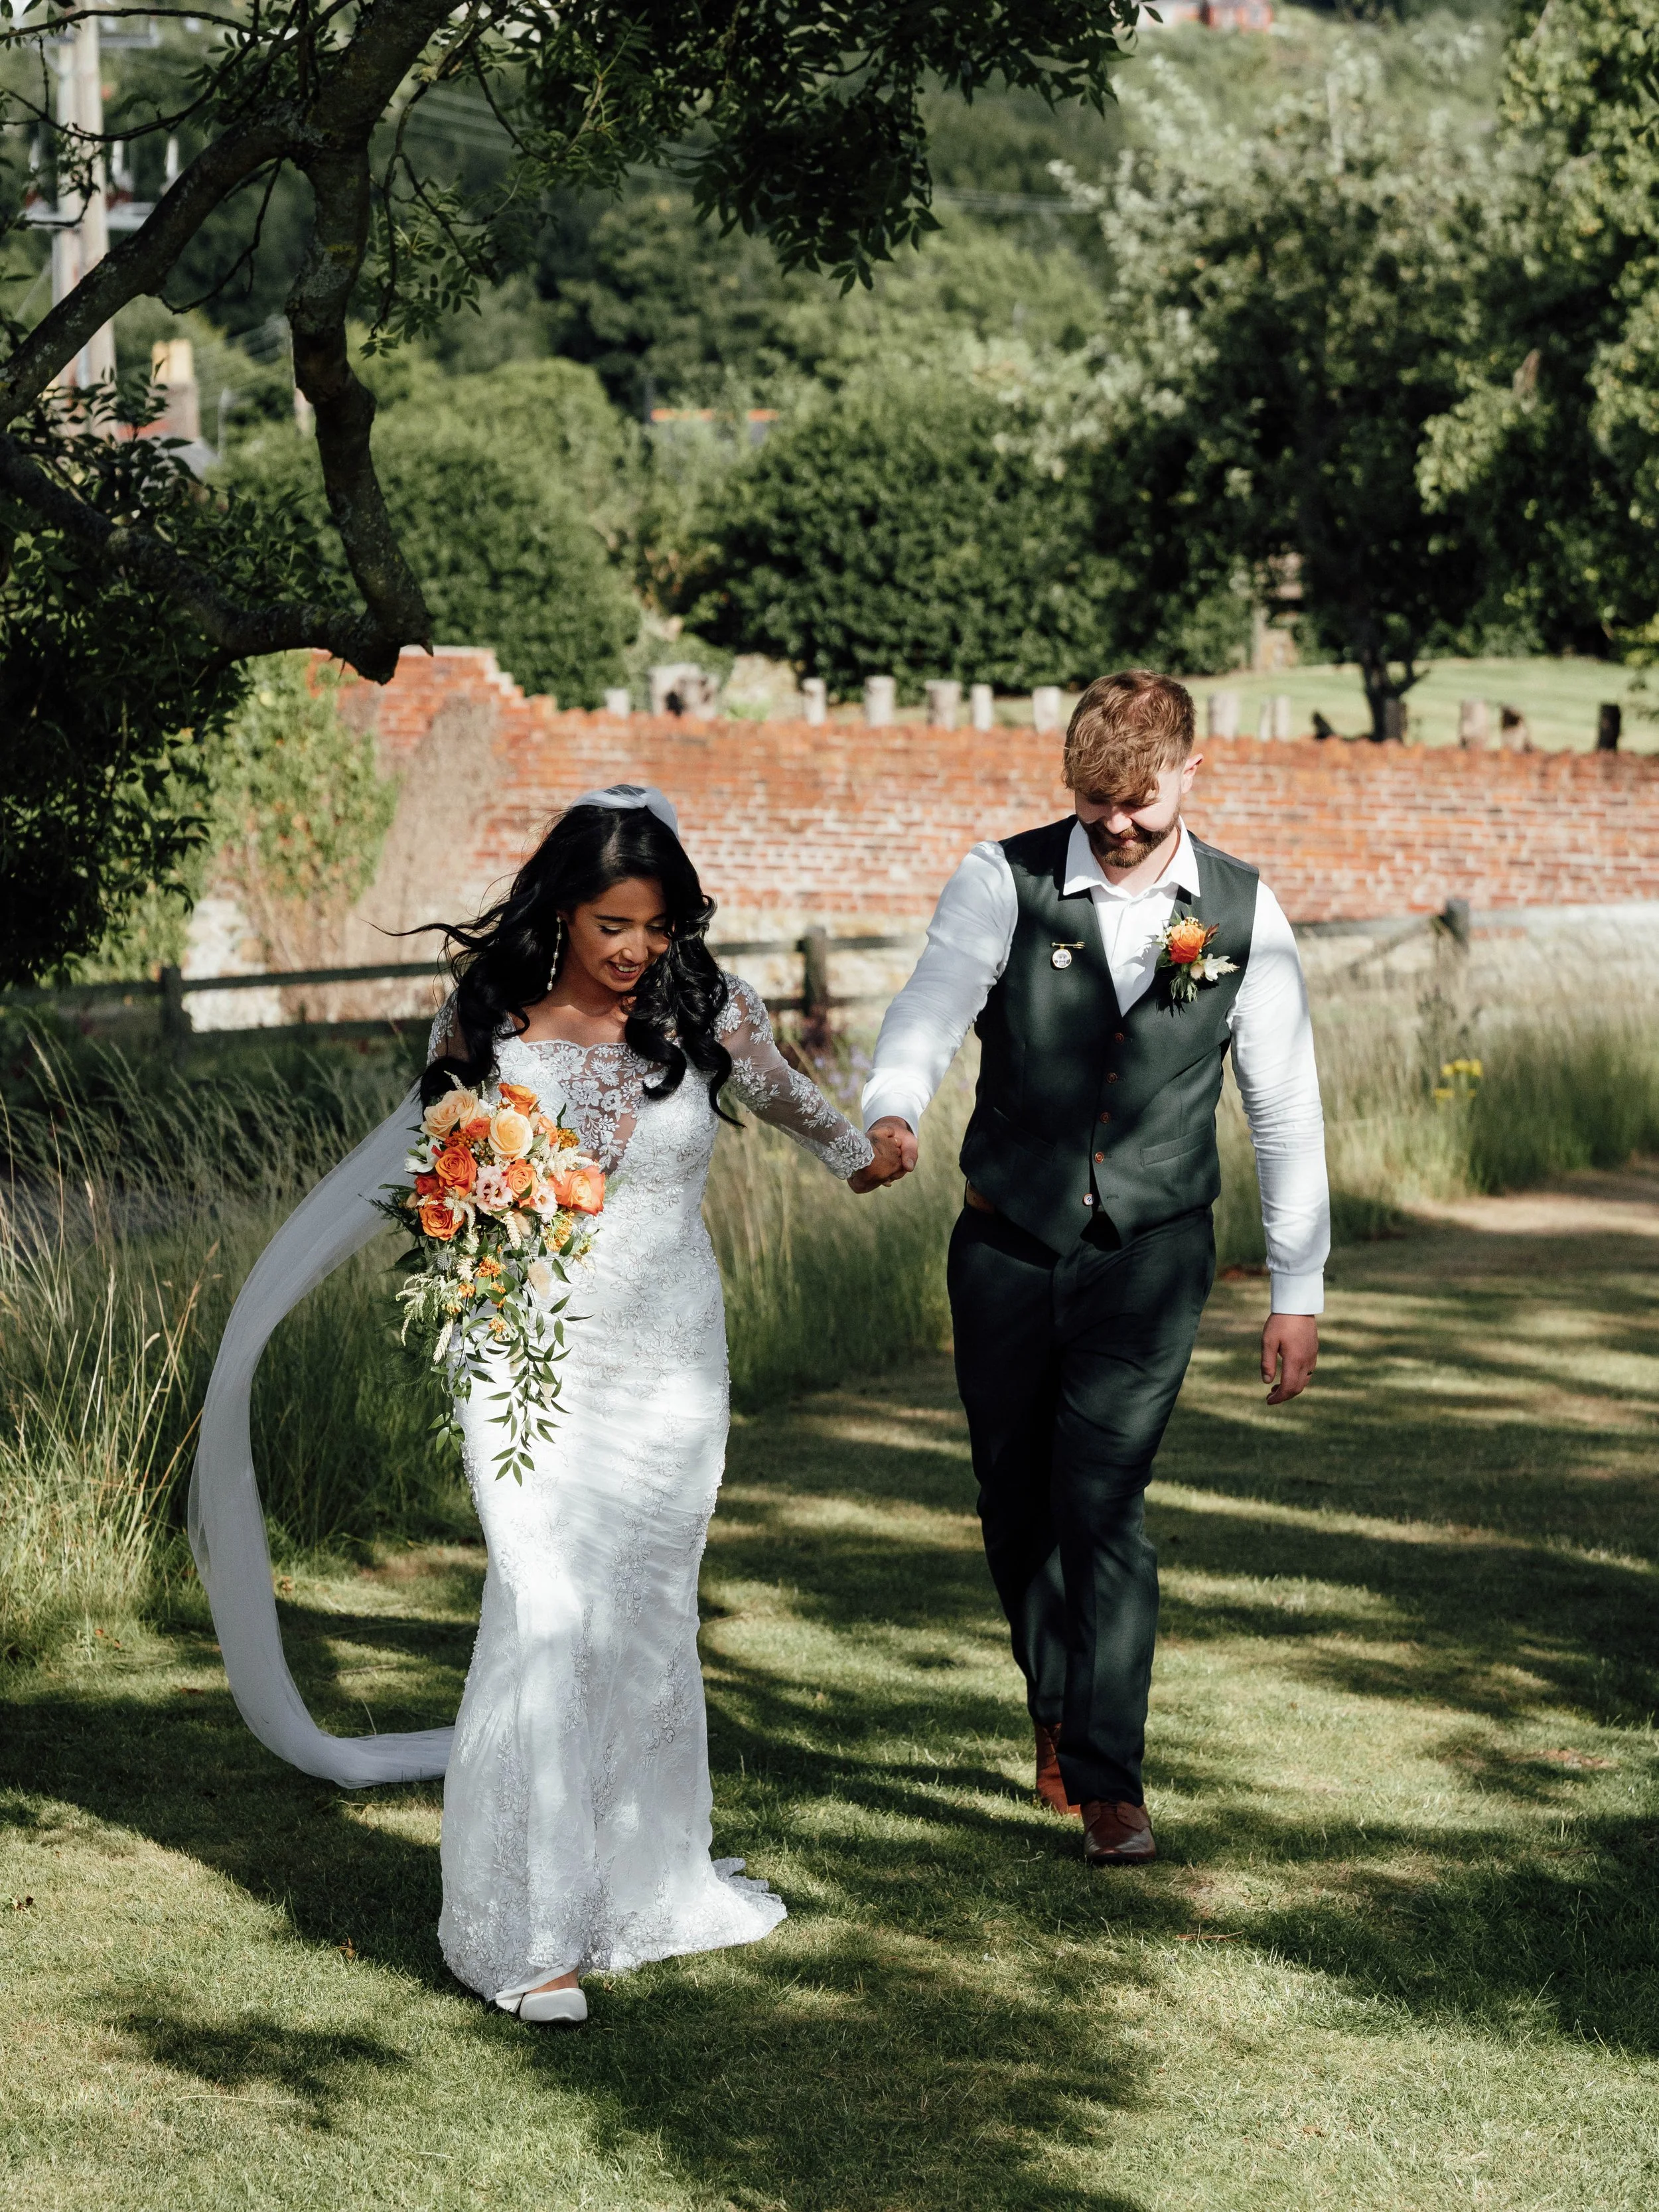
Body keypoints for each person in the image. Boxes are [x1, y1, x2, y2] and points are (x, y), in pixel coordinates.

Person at [190, 786, 901, 2028]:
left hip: (674, 1364)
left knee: (641, 1614)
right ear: (561, 907)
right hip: (523, 1357)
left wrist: (862, 1153)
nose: (634, 951)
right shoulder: (483, 1013)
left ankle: (636, 1888)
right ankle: (522, 1935)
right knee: (543, 1604)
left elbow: (791, 1097)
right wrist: (483, 1228)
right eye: (612, 924)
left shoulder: (707, 1009)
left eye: (658, 927)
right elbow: (440, 1171)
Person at [854, 672, 1329, 1867]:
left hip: (1151, 1261)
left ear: (1189, 774)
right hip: (1007, 1243)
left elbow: (1283, 1108)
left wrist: (1297, 1290)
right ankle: (1056, 1705)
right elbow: (928, 1006)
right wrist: (894, 1107)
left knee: (1103, 1503)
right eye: (1094, 797)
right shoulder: (999, 880)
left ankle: (1113, 1783)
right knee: (1015, 1504)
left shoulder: (1242, 914)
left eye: (1139, 798)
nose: (1116, 822)